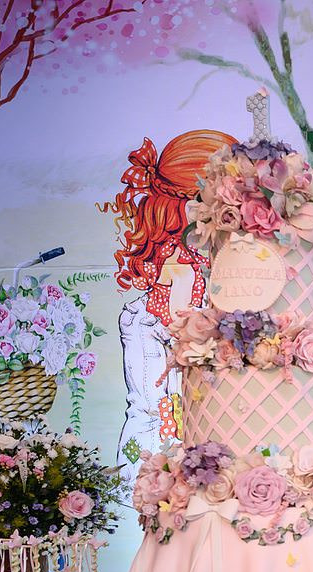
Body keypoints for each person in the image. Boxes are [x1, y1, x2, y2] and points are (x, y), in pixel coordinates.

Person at [99, 130, 235, 482]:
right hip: (162, 360)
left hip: (171, 357)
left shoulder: (193, 255)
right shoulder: (180, 262)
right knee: (159, 419)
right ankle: (142, 481)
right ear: (187, 202)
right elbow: (182, 333)